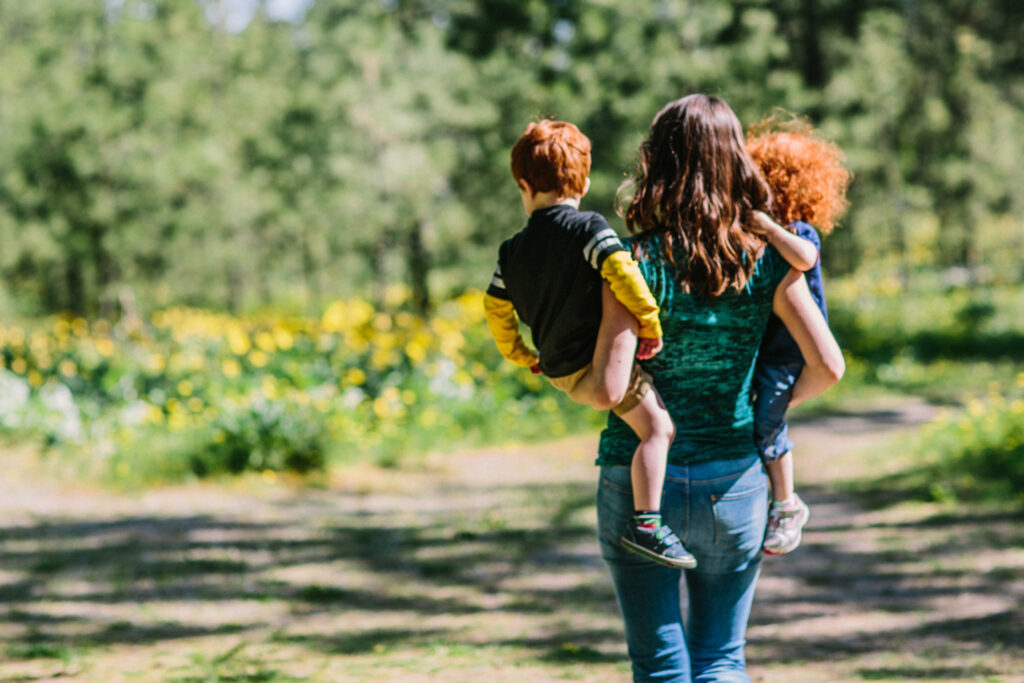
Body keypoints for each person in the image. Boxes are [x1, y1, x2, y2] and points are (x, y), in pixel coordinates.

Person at [596, 94, 845, 681]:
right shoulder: (766, 259)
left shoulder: (631, 261)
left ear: (657, 162)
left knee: (660, 664)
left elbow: (609, 387)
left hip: (636, 483)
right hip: (733, 480)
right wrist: (768, 403)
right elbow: (828, 366)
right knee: (721, 659)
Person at [483, 119, 694, 568]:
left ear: (523, 184)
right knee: (659, 430)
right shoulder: (588, 229)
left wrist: (522, 355)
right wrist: (650, 322)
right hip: (601, 370)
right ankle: (648, 524)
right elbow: (623, 272)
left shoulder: (511, 251)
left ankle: (647, 521)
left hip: (559, 372)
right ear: (585, 181)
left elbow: (495, 309)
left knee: (642, 423)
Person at [744, 120, 853, 555]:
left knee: (768, 425)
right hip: (768, 349)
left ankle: (787, 503)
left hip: (788, 354)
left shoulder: (799, 232)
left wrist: (769, 228)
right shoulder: (774, 233)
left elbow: (804, 258)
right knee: (759, 420)